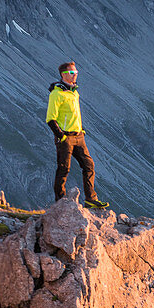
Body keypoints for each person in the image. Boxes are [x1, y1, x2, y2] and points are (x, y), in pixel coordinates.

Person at [45, 61, 109, 209]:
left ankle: (90, 199)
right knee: (63, 169)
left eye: (76, 72)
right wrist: (62, 137)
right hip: (66, 137)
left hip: (79, 136)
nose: (75, 75)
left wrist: (81, 130)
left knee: (89, 165)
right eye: (72, 73)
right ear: (63, 75)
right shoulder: (57, 94)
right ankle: (60, 203)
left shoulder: (74, 92)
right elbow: (50, 118)